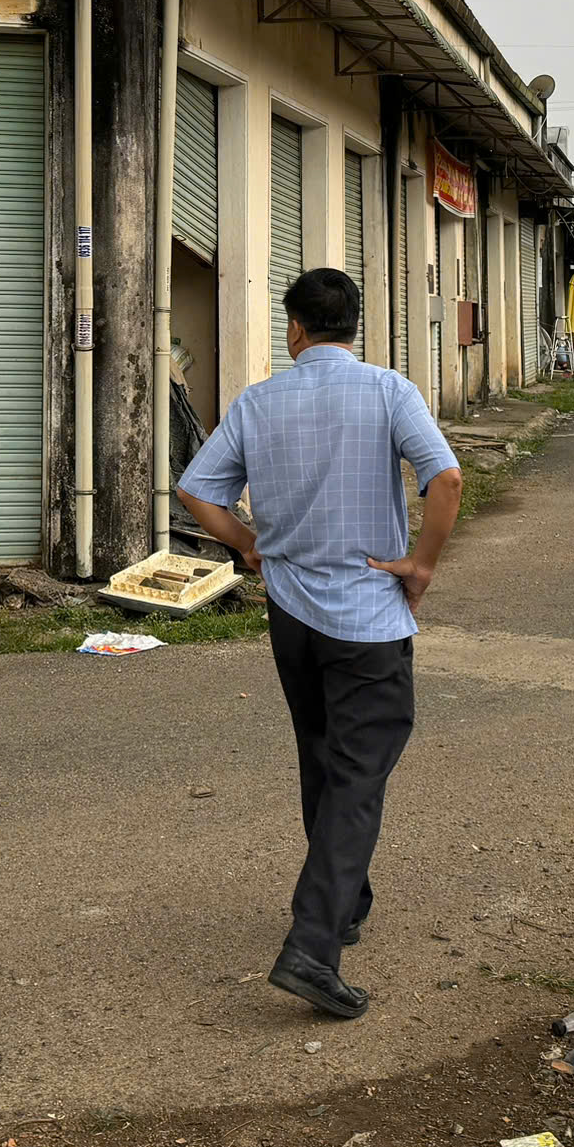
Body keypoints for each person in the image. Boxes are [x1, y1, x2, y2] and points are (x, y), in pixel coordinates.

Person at [176, 266, 463, 1023]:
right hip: (368, 618)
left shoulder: (258, 401)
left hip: (293, 616)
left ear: (295, 329)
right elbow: (446, 480)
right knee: (359, 774)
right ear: (354, 326)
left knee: (323, 755)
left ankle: (345, 905)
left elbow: (196, 490)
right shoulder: (389, 391)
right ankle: (312, 946)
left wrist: (249, 544)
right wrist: (422, 565)